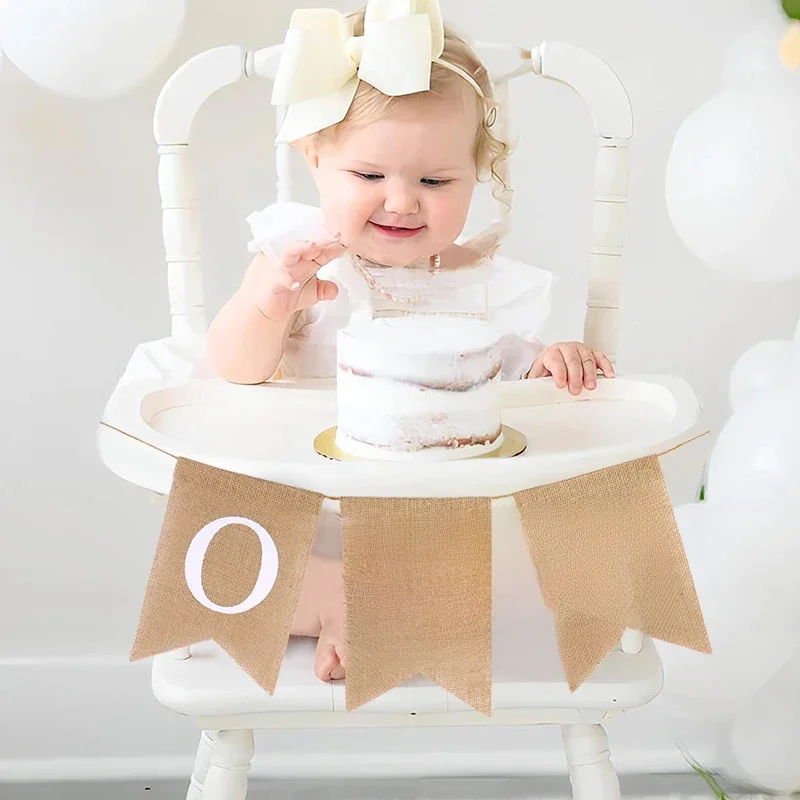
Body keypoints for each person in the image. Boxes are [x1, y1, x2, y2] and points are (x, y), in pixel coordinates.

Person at [207, 0, 615, 681]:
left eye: (434, 181)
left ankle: (391, 602)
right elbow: (234, 371)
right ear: (314, 159)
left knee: (541, 554)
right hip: (312, 509)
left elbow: (518, 407)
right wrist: (267, 305)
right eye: (369, 176)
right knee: (224, 561)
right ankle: (341, 599)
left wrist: (553, 364)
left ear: (476, 175)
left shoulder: (488, 289)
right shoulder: (298, 264)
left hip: (433, 521)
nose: (400, 201)